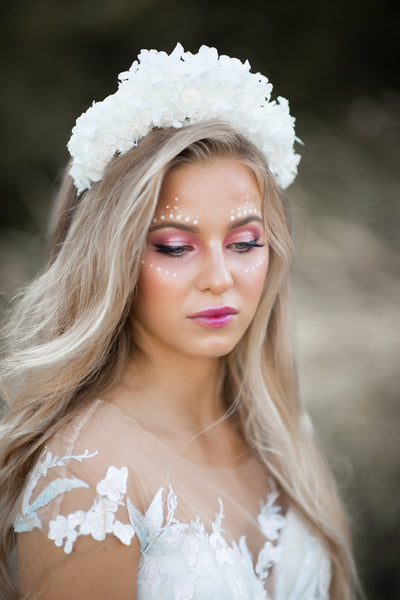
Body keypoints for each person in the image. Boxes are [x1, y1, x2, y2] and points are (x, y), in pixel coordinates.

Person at [0, 44, 356, 599]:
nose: (220, 277)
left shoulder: (282, 430)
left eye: (243, 242)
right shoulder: (87, 480)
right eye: (173, 247)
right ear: (111, 260)